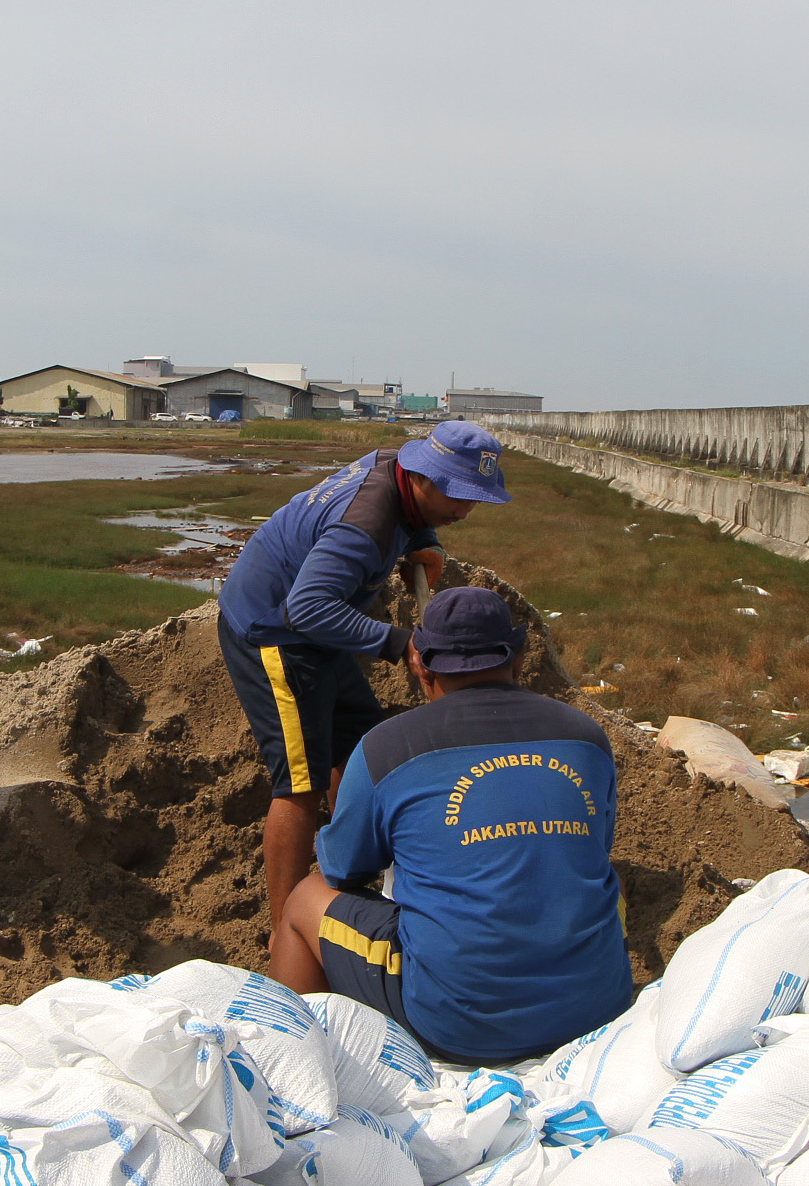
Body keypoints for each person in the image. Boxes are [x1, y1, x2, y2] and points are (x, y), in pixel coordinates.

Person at [266, 587, 629, 1064]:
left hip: (457, 1025)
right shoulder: (586, 737)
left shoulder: (386, 749)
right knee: (603, 880)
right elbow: (594, 847)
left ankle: (290, 1069)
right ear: (519, 659)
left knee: (303, 900)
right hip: (596, 1011)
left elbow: (343, 871)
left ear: (421, 664)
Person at [218, 420, 510, 924]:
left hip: (317, 631)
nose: (466, 509)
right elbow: (306, 609)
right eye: (456, 495)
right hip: (274, 633)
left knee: (359, 750)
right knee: (301, 785)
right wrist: (400, 643)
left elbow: (409, 515)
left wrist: (426, 541)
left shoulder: (393, 467)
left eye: (475, 498)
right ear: (422, 477)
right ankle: (284, 928)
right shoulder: (366, 523)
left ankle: (352, 868)